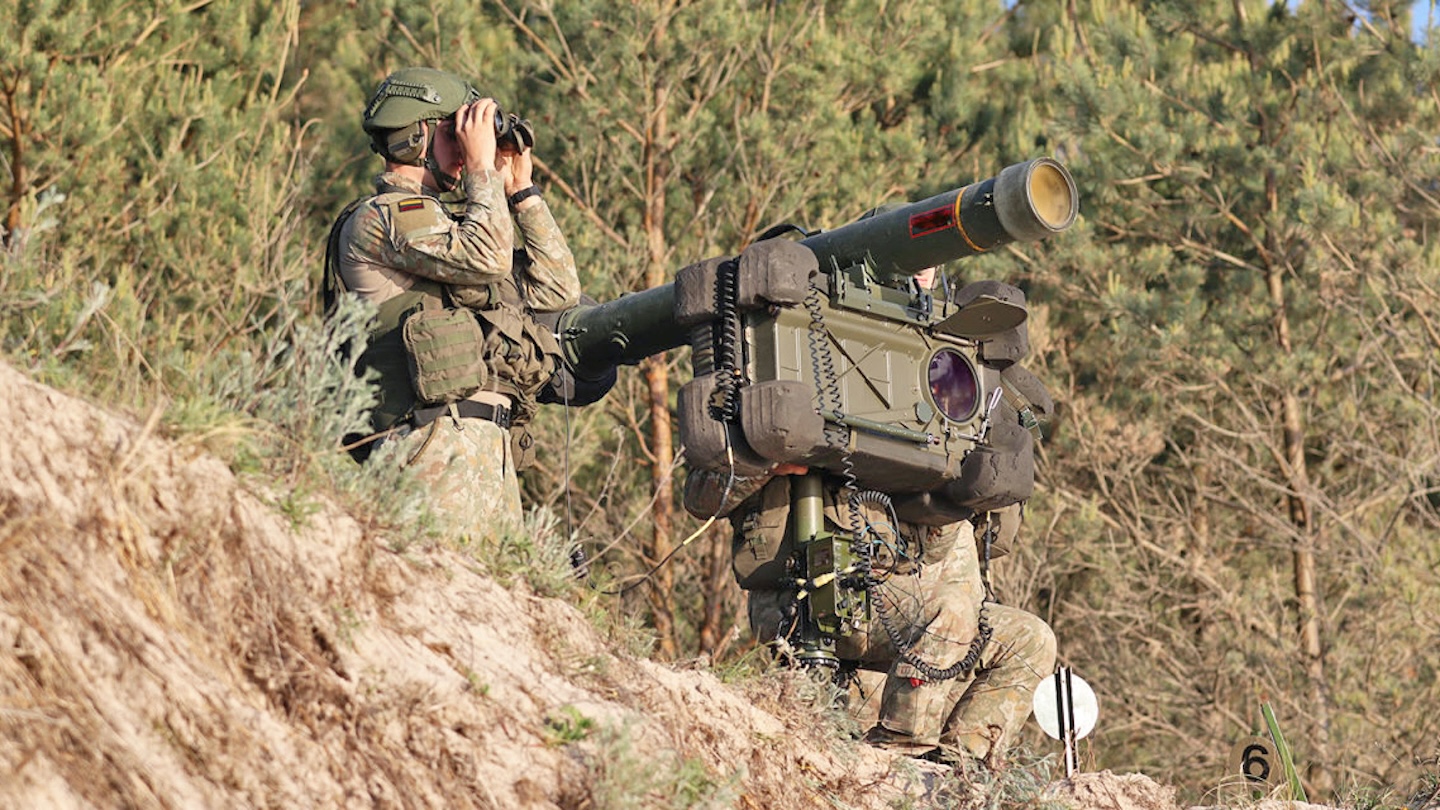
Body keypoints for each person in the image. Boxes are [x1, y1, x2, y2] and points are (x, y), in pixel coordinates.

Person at [682, 263, 1055, 767]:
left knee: (1029, 638)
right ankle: (900, 754)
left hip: (906, 612)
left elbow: (972, 541)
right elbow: (702, 495)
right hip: (807, 606)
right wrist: (769, 462)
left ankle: (959, 770)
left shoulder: (944, 412)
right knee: (950, 609)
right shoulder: (785, 384)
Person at [324, 67, 580, 537]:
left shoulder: (460, 232)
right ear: (415, 137)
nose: (465, 151)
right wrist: (481, 169)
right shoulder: (383, 218)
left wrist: (521, 192)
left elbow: (557, 291)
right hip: (427, 450)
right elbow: (489, 258)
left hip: (489, 457)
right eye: (454, 134)